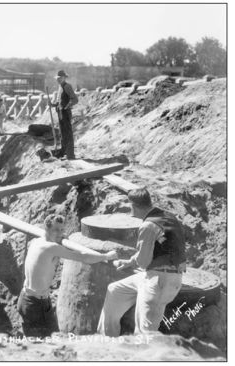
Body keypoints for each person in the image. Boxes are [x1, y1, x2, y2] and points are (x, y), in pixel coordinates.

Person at [97, 188, 186, 337]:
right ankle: (107, 342)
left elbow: (144, 262)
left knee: (145, 333)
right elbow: (161, 247)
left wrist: (137, 260)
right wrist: (131, 262)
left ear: (134, 205)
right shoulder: (168, 217)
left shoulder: (147, 226)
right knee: (115, 290)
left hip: (158, 283)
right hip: (165, 277)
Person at [18, 214, 117, 337]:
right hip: (35, 305)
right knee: (41, 346)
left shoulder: (37, 241)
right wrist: (106, 256)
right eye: (56, 230)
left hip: (30, 300)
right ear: (46, 229)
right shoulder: (51, 247)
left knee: (46, 343)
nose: (60, 234)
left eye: (61, 230)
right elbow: (83, 257)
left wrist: (59, 238)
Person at [49, 70, 78, 159]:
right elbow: (59, 101)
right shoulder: (60, 87)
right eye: (58, 78)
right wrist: (52, 105)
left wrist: (67, 106)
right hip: (60, 113)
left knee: (68, 133)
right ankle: (64, 152)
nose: (58, 80)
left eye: (60, 78)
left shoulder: (67, 86)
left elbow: (75, 99)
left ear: (64, 78)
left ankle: (70, 154)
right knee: (63, 133)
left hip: (65, 112)